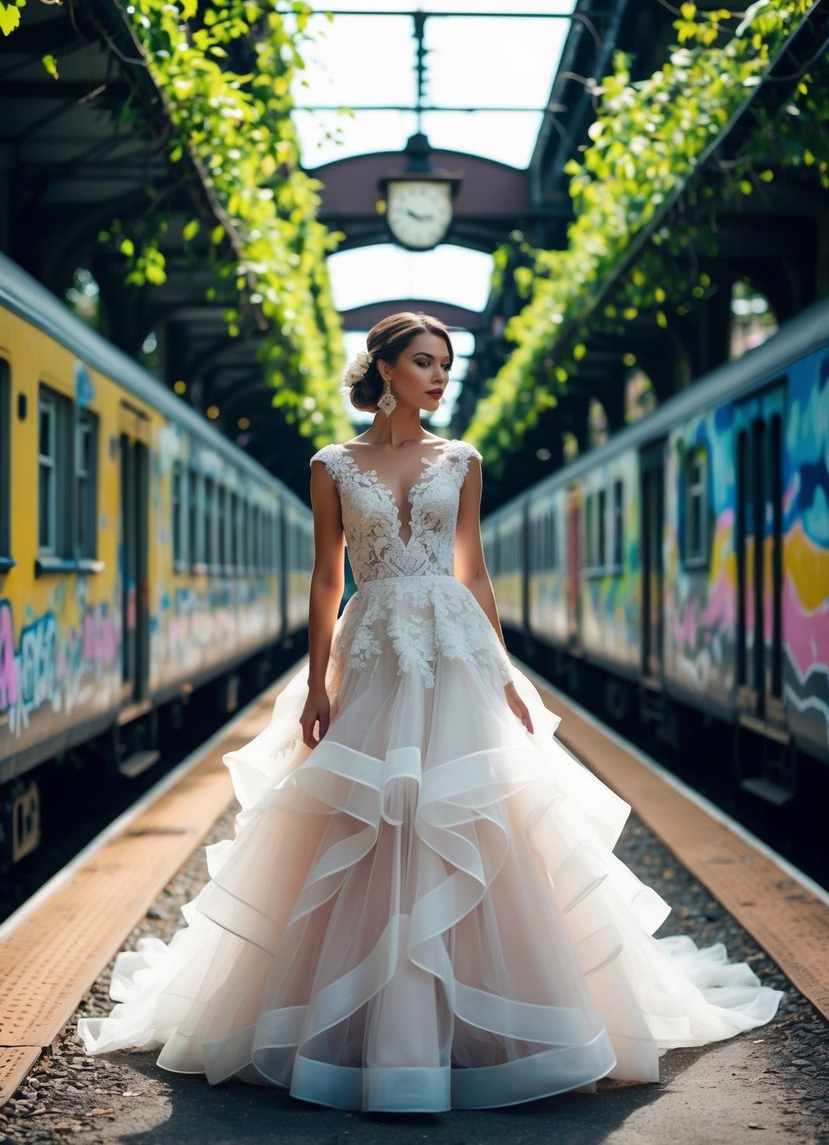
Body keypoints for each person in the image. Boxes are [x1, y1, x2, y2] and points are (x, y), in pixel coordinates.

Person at [78, 312, 781, 1112]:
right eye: (423, 363)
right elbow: (324, 578)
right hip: (372, 648)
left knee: (472, 813)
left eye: (445, 364)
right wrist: (315, 684)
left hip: (455, 651)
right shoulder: (332, 465)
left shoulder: (463, 459)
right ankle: (367, 1023)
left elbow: (473, 570)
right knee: (371, 815)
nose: (439, 378)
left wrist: (507, 673)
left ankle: (484, 1020)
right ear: (383, 369)